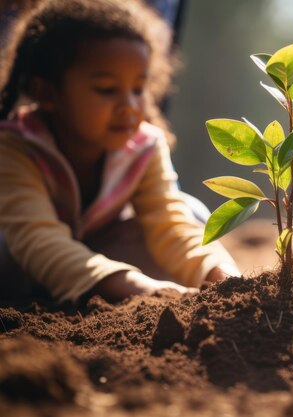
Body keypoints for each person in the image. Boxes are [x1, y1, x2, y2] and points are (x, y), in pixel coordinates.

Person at [0, 0, 240, 304]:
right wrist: (145, 289)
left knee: (191, 213)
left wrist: (227, 278)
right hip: (22, 265)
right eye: (106, 89)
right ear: (48, 93)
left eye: (138, 89)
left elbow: (171, 226)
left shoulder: (144, 146)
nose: (130, 105)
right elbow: (38, 241)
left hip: (101, 253)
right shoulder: (16, 146)